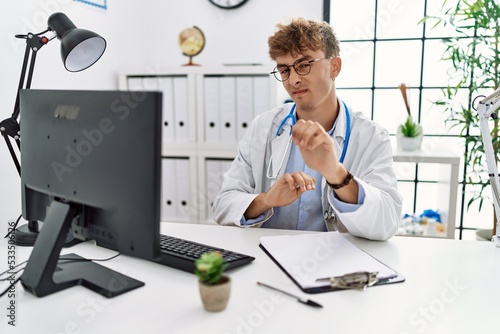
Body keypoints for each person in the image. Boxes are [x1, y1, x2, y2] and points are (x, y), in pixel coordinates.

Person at [213, 17, 402, 241]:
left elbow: (387, 222)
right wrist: (266, 200)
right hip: (268, 259)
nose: (293, 80)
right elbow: (223, 205)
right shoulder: (262, 128)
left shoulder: (371, 137)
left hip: (336, 264)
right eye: (284, 70)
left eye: (303, 65)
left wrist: (335, 173)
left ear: (335, 67)